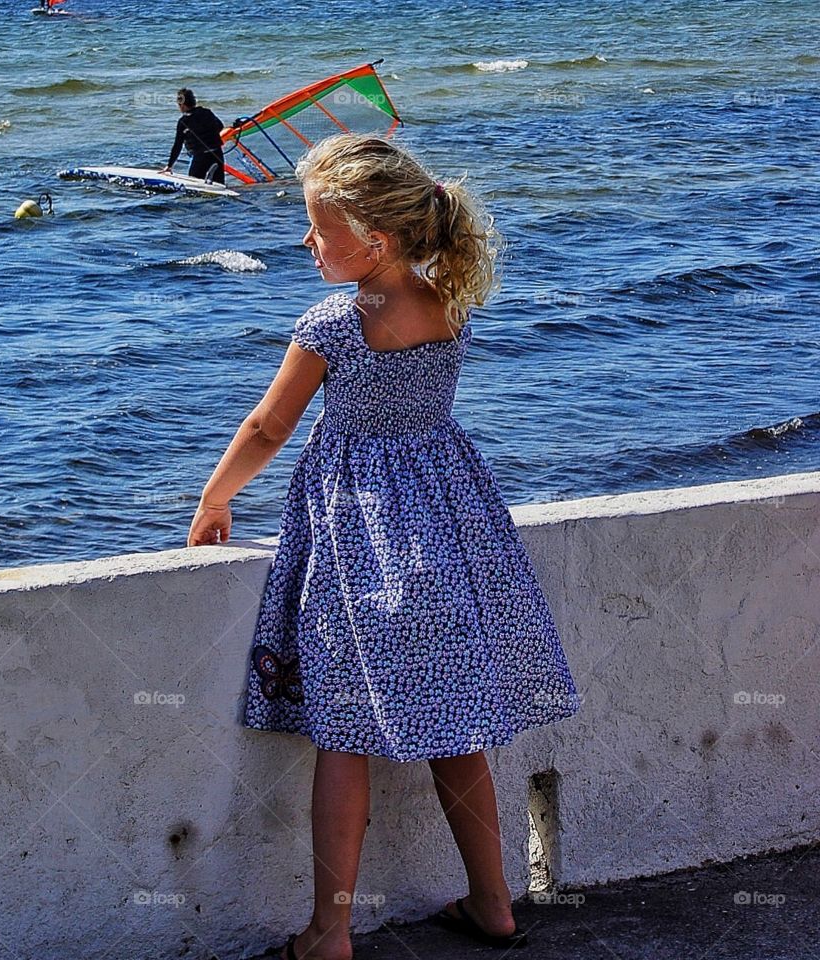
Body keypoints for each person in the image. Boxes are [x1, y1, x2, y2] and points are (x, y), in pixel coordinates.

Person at [186, 133, 581, 960]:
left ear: (378, 239)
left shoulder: (334, 323)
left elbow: (268, 427)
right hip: (455, 532)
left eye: (318, 229)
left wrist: (215, 498)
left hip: (363, 543)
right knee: (458, 732)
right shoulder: (448, 302)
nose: (305, 242)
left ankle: (331, 931)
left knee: (342, 736)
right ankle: (495, 903)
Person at [158, 88, 225, 184]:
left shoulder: (183, 122)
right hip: (217, 154)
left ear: (182, 105)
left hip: (200, 158)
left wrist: (169, 165)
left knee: (194, 188)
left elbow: (178, 145)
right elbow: (220, 126)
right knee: (220, 186)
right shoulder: (207, 112)